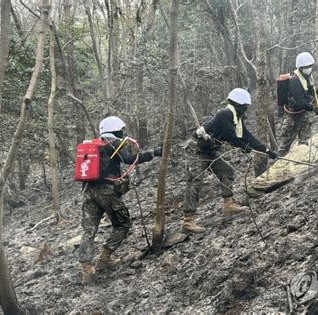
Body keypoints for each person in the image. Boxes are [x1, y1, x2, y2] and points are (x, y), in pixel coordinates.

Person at [79, 116, 162, 284]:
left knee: (88, 230)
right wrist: (154, 153)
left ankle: (86, 270)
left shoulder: (96, 145)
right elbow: (130, 159)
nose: (123, 133)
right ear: (116, 130)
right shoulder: (114, 144)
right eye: (121, 129)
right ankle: (105, 258)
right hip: (107, 192)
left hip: (89, 191)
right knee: (123, 224)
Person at [182, 88, 277, 234]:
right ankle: (188, 221)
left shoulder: (236, 118)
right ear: (239, 105)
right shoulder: (225, 114)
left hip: (210, 150)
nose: (246, 110)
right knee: (195, 181)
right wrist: (243, 147)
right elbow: (230, 135)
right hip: (197, 150)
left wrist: (266, 150)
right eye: (245, 107)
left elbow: (247, 136)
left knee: (227, 171)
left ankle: (228, 205)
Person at [277, 52, 318, 156]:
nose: (308, 69)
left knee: (305, 138)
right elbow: (300, 100)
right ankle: (277, 161)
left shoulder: (308, 78)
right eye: (306, 67)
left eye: (310, 66)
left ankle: (303, 159)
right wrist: (313, 108)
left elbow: (313, 92)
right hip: (292, 114)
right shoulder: (294, 81)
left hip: (303, 113)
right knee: (287, 142)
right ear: (300, 68)